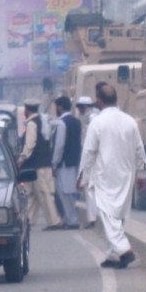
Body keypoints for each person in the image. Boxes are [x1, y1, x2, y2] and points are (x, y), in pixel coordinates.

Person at [78, 84, 146, 269]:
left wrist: (83, 177)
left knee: (109, 215)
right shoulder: (130, 121)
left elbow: (89, 152)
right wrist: (141, 173)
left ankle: (125, 250)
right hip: (126, 174)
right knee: (118, 215)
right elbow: (139, 149)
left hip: (105, 175)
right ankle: (113, 255)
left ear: (99, 101)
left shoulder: (97, 122)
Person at [17, 98, 63, 230]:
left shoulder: (32, 124)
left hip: (37, 165)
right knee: (34, 195)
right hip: (43, 163)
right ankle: (28, 221)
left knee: (43, 194)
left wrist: (21, 159)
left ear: (27, 109)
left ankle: (54, 222)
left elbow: (30, 144)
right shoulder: (43, 121)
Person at [52, 96, 82, 229]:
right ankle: (71, 219)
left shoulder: (61, 123)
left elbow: (59, 145)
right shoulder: (77, 121)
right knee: (71, 191)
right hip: (74, 160)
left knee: (64, 192)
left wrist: (54, 162)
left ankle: (72, 220)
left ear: (60, 107)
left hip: (64, 163)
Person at [75, 95, 100, 229]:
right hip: (94, 156)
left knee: (89, 187)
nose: (79, 111)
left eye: (80, 108)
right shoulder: (90, 118)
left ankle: (92, 219)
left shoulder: (92, 119)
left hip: (93, 157)